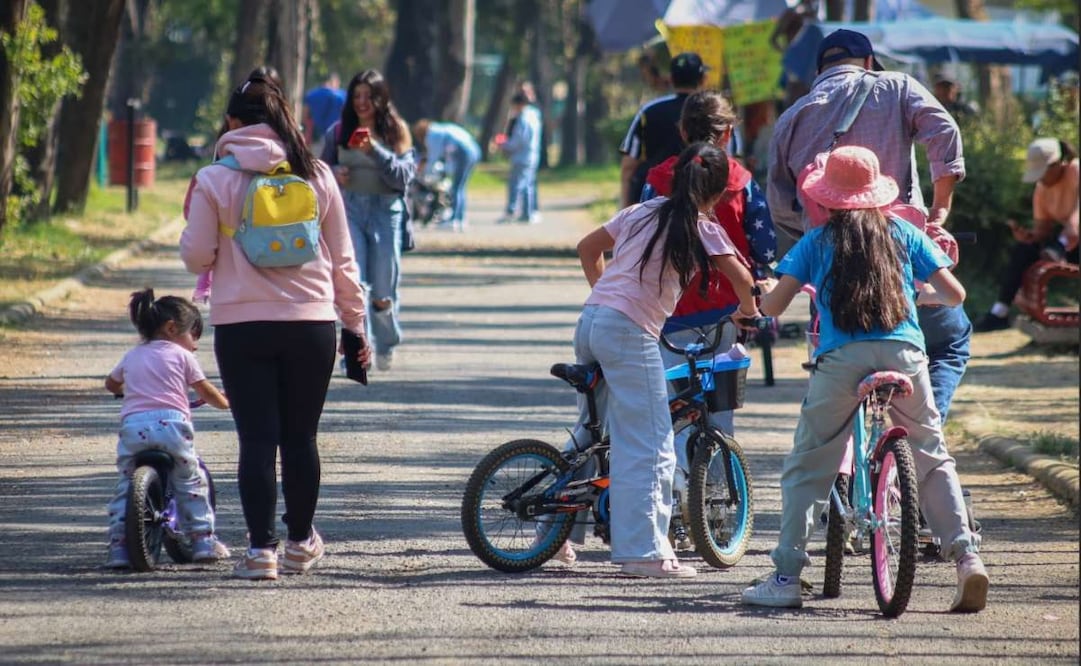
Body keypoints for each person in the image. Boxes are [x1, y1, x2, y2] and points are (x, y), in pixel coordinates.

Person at [744, 145, 988, 612]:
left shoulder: (816, 241)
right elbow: (955, 294)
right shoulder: (902, 230)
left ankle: (785, 576)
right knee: (932, 456)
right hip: (906, 353)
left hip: (842, 359)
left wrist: (765, 298)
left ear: (827, 197)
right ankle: (966, 555)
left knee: (808, 462)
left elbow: (774, 307)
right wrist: (919, 297)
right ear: (877, 192)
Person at [181, 75, 371, 581]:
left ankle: (261, 552)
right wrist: (354, 326)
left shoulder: (213, 178)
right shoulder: (317, 173)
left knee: (257, 440)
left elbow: (196, 255)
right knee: (301, 438)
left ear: (232, 123)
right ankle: (300, 543)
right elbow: (343, 262)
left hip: (243, 326)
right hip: (311, 323)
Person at [563, 142, 761, 577]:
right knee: (652, 444)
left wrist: (606, 293)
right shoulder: (703, 226)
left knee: (589, 431)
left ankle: (556, 538)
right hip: (627, 331)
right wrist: (749, 311)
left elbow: (586, 247)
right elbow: (743, 281)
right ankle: (645, 552)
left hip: (592, 319)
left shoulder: (639, 211)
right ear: (716, 192)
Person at [768, 28, 971, 426]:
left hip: (828, 268)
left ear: (820, 69)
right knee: (949, 342)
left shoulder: (793, 116)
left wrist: (817, 234)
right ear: (867, 62)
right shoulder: (895, 86)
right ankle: (920, 438)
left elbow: (779, 203)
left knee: (831, 375)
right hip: (901, 260)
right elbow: (943, 131)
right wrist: (939, 209)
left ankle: (844, 471)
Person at [644, 90, 776, 437]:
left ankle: (680, 483)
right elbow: (765, 245)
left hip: (669, 308)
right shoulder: (741, 182)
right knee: (720, 411)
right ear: (729, 132)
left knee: (674, 407)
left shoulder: (658, 180)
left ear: (682, 131)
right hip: (728, 310)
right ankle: (716, 482)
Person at [103, 289, 231, 568]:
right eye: (192, 337)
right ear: (172, 329)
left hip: (134, 428)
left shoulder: (132, 355)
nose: (195, 346)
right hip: (171, 426)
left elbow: (111, 384)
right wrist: (224, 402)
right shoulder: (182, 356)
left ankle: (119, 549)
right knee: (191, 482)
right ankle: (202, 541)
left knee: (126, 487)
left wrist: (124, 389)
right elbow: (204, 390)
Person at [320, 70, 416, 371]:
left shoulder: (396, 130)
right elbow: (320, 172)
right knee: (354, 283)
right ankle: (357, 349)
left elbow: (403, 177)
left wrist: (374, 150)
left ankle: (386, 341)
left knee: (383, 289)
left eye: (368, 96)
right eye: (356, 96)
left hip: (386, 212)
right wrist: (335, 174)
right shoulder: (338, 131)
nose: (362, 102)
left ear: (381, 98)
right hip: (350, 210)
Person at [974, 138, 1079, 331]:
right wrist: (1029, 236)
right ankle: (1000, 312)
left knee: (1059, 244)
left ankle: (1057, 250)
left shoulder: (1075, 171)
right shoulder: (1041, 189)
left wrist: (1065, 239)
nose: (1040, 178)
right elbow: (1043, 230)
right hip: (1066, 244)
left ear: (1056, 164)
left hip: (1072, 242)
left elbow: (1075, 221)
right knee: (1023, 250)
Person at [619, 52, 708, 207]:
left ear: (671, 79)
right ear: (703, 79)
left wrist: (624, 212)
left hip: (651, 203)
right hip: (702, 203)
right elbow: (734, 162)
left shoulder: (648, 112)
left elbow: (628, 167)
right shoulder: (714, 112)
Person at [412, 118, 480, 231]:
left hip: (464, 152)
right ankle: (460, 218)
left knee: (456, 188)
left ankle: (454, 220)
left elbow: (433, 157)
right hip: (474, 149)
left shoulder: (432, 135)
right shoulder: (441, 128)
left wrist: (423, 172)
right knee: (461, 187)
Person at [496, 91, 543, 224]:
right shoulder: (534, 115)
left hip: (522, 156)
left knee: (516, 185)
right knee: (528, 185)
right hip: (533, 155)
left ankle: (511, 212)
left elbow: (518, 140)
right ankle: (528, 213)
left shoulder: (523, 119)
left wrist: (504, 144)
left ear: (519, 105)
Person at [303, 73, 346, 156]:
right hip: (336, 137)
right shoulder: (342, 96)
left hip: (316, 137)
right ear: (335, 82)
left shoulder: (311, 95)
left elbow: (305, 117)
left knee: (316, 163)